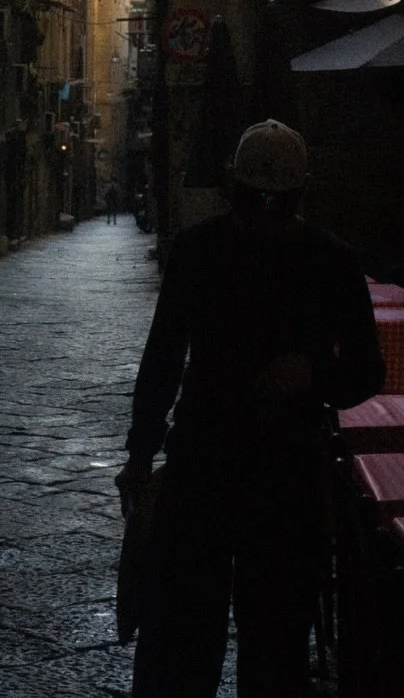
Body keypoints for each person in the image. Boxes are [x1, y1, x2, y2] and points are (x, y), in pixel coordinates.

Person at [117, 119, 385, 697]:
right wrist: (316, 377)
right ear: (304, 187)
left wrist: (141, 453)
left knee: (191, 643)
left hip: (211, 465)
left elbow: (163, 360)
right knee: (273, 646)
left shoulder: (197, 251)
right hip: (277, 472)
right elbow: (366, 371)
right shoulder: (332, 260)